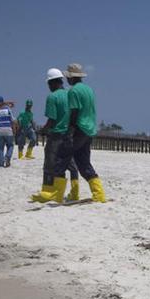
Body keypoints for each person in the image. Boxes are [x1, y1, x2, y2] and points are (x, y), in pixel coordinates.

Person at [63, 62, 106, 202]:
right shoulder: (89, 90)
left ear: (71, 78)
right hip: (89, 130)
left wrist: (69, 130)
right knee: (84, 163)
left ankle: (62, 192)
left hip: (79, 129)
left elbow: (74, 112)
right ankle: (99, 194)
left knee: (64, 158)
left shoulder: (73, 91)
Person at [29, 68, 72, 203]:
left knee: (49, 165)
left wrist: (42, 130)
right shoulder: (69, 95)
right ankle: (60, 194)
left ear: (53, 83)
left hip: (56, 135)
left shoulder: (52, 97)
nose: (48, 87)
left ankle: (47, 192)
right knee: (64, 165)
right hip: (69, 135)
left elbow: (52, 120)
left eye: (49, 84)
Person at [0, 95, 17, 167]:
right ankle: (7, 157)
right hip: (8, 130)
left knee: (0, 148)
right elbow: (13, 120)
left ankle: (0, 163)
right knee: (10, 145)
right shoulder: (8, 109)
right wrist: (14, 129)